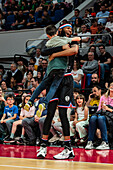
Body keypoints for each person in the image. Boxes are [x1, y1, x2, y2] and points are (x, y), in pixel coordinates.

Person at [24, 24, 80, 112]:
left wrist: (54, 54)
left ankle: (30, 101)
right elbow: (76, 42)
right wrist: (65, 45)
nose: (70, 30)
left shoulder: (49, 42)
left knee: (42, 85)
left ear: (47, 35)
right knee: (54, 86)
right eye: (68, 28)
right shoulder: (63, 40)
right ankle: (44, 103)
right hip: (62, 67)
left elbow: (43, 51)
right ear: (58, 31)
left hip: (51, 67)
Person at [85, 82, 113, 150]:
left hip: (111, 117)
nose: (112, 87)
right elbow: (98, 110)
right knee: (93, 118)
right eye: (111, 85)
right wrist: (101, 108)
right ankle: (90, 141)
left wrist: (108, 109)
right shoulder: (103, 97)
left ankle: (105, 142)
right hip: (103, 114)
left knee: (100, 118)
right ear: (108, 87)